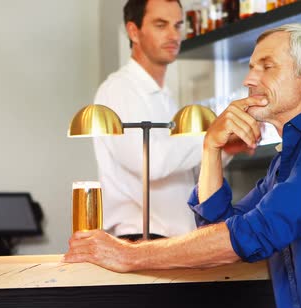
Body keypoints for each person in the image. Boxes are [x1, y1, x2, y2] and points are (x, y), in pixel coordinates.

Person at [65, 23, 301, 308]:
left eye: (267, 66)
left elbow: (254, 235)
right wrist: (210, 149)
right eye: (251, 67)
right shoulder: (293, 155)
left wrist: (130, 255)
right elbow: (222, 227)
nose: (250, 79)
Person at [93, 0, 226, 240]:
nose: (173, 35)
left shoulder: (166, 98)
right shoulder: (119, 89)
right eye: (161, 25)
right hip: (140, 237)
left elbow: (188, 173)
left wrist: (225, 148)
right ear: (134, 31)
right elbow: (149, 162)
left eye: (177, 25)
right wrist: (211, 137)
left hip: (173, 239)